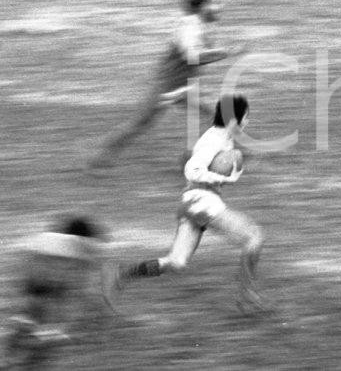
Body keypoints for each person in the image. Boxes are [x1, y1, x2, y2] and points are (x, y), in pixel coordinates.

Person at [102, 94, 266, 313]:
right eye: (246, 117)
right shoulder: (213, 140)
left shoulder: (223, 138)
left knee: (175, 262)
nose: (248, 121)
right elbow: (192, 169)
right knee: (254, 237)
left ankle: (119, 274)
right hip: (203, 202)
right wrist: (223, 179)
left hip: (192, 202)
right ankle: (247, 296)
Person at [88, 0, 240, 169]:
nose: (221, 7)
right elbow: (192, 56)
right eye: (216, 4)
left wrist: (219, 53)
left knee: (216, 118)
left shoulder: (203, 24)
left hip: (184, 85)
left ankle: (192, 158)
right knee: (140, 123)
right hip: (168, 86)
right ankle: (98, 154)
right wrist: (223, 52)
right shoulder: (190, 27)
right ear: (203, 5)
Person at [2, 216, 107, 369]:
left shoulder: (48, 237)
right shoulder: (83, 245)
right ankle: (33, 356)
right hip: (52, 278)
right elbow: (80, 284)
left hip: (33, 269)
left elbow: (28, 264)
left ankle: (9, 359)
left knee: (30, 315)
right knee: (53, 329)